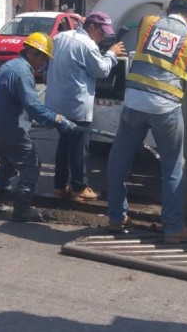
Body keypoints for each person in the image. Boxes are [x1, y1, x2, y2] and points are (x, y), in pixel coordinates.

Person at [106, 0, 187, 243]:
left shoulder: (148, 23)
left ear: (168, 9)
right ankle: (172, 228)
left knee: (118, 161)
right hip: (165, 108)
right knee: (172, 166)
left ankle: (116, 218)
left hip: (133, 102)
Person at [0, 33, 78, 222]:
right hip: (10, 129)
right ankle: (22, 209)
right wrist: (56, 119)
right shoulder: (23, 72)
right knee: (31, 164)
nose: (43, 63)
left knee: (8, 164)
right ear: (32, 53)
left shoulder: (11, 66)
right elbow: (33, 106)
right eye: (43, 58)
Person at [45, 11, 126, 202]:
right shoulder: (88, 45)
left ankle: (59, 186)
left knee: (64, 145)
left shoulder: (60, 37)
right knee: (78, 149)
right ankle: (79, 188)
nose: (104, 36)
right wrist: (111, 54)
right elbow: (102, 70)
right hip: (77, 105)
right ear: (91, 27)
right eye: (101, 32)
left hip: (56, 103)